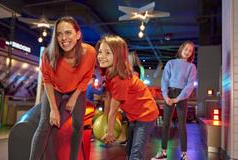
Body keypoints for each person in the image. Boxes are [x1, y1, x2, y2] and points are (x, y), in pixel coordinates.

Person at [29, 16, 96, 160]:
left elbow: (87, 77)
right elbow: (47, 81)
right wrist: (53, 109)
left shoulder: (90, 53)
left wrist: (74, 97)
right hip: (55, 88)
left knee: (78, 124)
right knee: (44, 125)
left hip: (77, 89)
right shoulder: (48, 54)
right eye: (59, 34)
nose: (63, 38)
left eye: (68, 33)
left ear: (77, 35)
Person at [96, 35, 159, 160]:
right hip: (134, 116)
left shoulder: (120, 79)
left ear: (118, 56)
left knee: (135, 154)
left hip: (146, 115)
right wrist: (105, 115)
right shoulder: (109, 73)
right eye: (100, 52)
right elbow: (108, 96)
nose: (102, 56)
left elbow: (114, 110)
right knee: (129, 152)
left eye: (108, 53)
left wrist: (110, 132)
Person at [152, 41, 197, 160]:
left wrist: (178, 98)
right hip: (170, 93)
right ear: (181, 48)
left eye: (190, 51)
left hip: (182, 96)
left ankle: (183, 154)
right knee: (166, 123)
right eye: (186, 49)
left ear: (192, 53)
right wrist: (166, 97)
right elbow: (165, 81)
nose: (188, 52)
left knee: (182, 125)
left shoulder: (191, 67)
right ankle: (163, 151)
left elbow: (190, 85)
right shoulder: (171, 63)